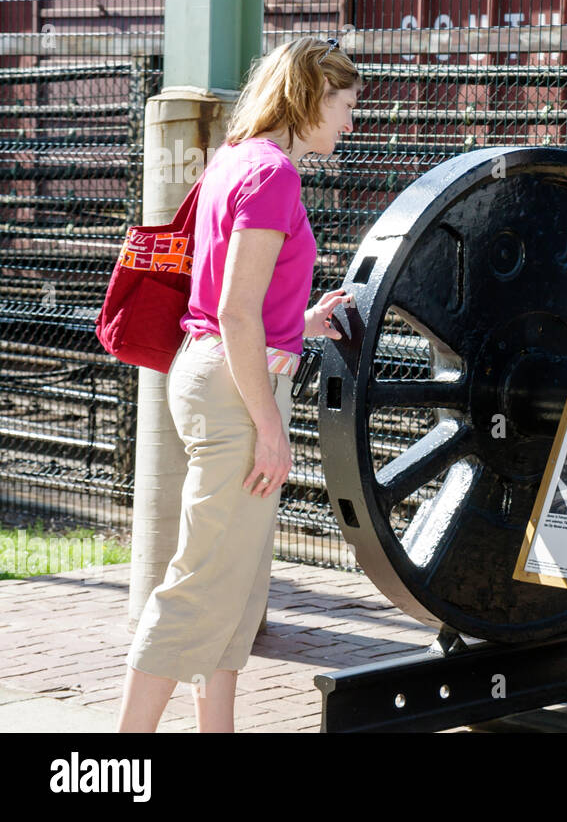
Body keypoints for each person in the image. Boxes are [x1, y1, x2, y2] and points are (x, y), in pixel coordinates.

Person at [117, 37, 360, 733]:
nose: (348, 123)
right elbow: (233, 310)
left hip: (218, 372)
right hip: (236, 388)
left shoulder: (235, 159)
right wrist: (271, 428)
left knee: (237, 587)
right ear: (310, 96)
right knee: (201, 584)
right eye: (344, 107)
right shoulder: (274, 173)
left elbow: (235, 296)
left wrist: (303, 322)